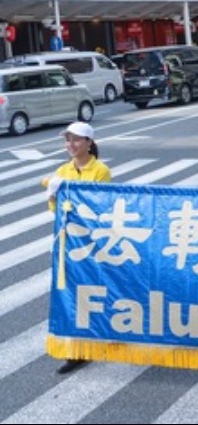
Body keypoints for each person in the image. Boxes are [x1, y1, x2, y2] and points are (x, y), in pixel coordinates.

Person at [44, 121, 111, 374]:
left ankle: (103, 334)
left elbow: (101, 205)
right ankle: (77, 351)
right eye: (68, 140)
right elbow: (56, 208)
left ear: (89, 143)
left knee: (94, 292)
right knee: (71, 293)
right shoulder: (62, 170)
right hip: (69, 242)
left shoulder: (101, 170)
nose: (70, 145)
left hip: (94, 243)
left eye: (76, 140)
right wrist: (52, 196)